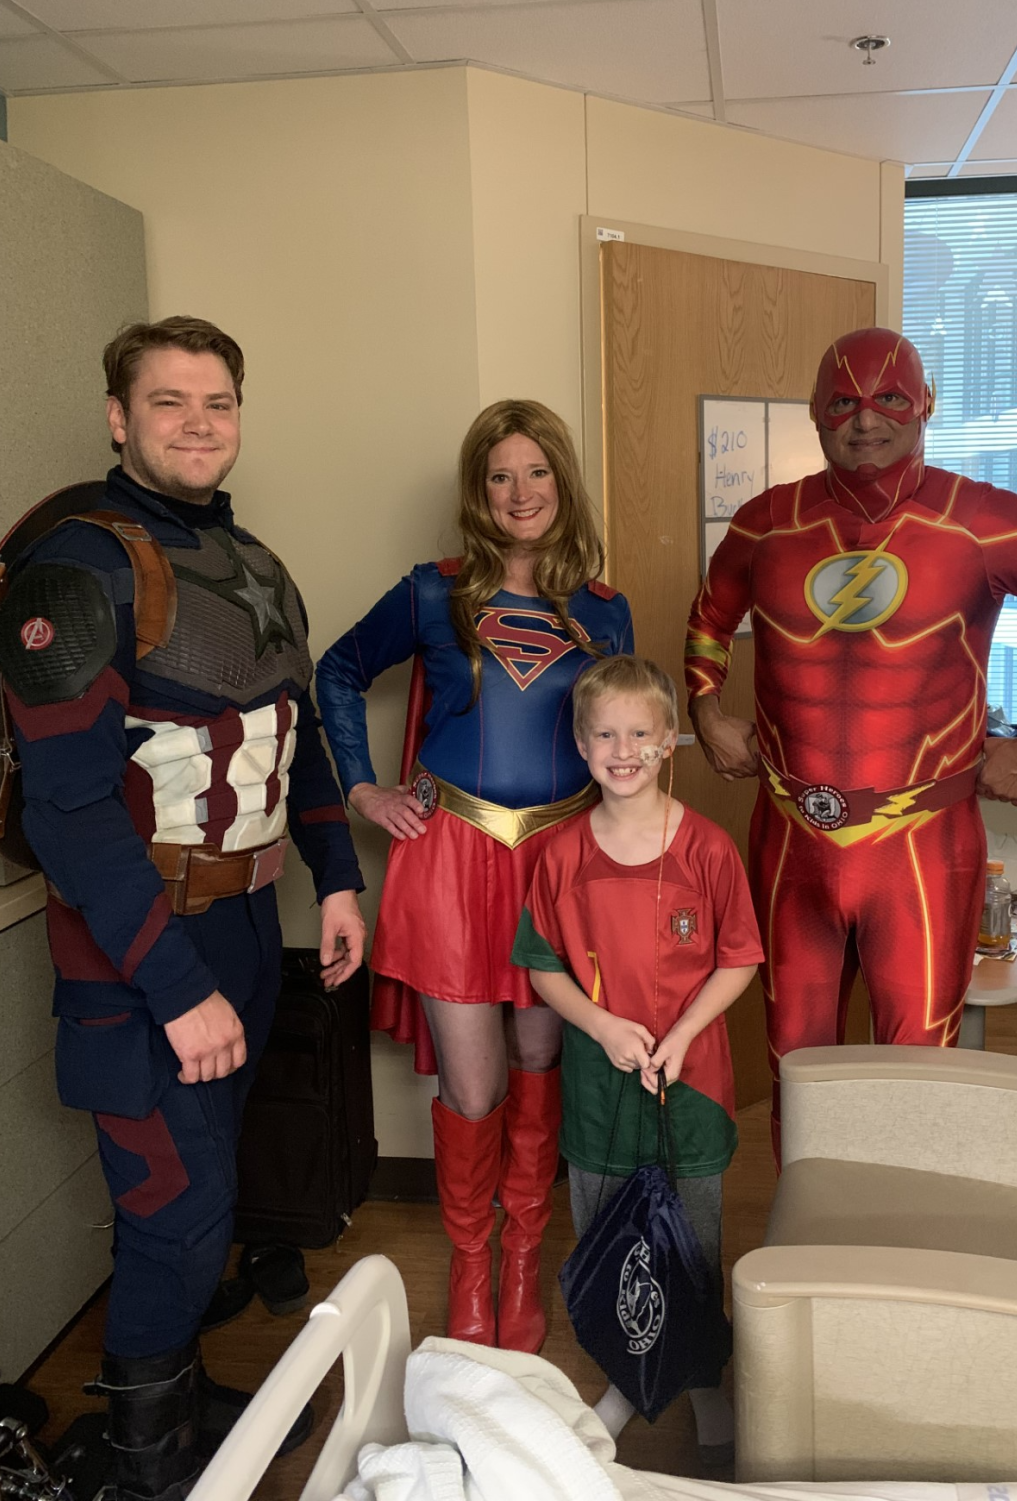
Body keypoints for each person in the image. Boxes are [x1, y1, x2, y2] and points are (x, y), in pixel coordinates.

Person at [0, 317, 366, 1501]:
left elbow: (291, 738)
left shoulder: (254, 563)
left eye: (218, 402)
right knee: (174, 1205)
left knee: (205, 1197)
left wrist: (341, 877)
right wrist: (177, 984)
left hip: (247, 932)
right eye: (169, 403)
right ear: (119, 417)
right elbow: (67, 813)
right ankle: (148, 1470)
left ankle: (178, 1400)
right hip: (137, 952)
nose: (199, 423)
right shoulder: (77, 567)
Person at [685, 326, 1017, 1145]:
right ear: (816, 414)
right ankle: (809, 1259)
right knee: (798, 1067)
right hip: (793, 835)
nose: (865, 421)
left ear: (925, 403)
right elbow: (710, 618)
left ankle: (898, 1261)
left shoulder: (987, 522)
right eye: (844, 402)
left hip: (921, 844)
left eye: (889, 398)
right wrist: (705, 710)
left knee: (917, 1074)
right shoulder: (765, 525)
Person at [316, 400, 632, 1353]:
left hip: (561, 864)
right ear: (477, 491)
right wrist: (364, 792)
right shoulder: (432, 593)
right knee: (476, 1079)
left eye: (537, 473)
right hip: (453, 857)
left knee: (541, 1061)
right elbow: (335, 670)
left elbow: (622, 738)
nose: (520, 492)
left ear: (563, 485)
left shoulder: (605, 608)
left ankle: (525, 1261)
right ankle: (468, 1265)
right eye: (499, 475)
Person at [513, 654, 762, 1461]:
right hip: (600, 1087)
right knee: (609, 1236)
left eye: (640, 734)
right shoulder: (558, 856)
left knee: (691, 1240)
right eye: (604, 735)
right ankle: (626, 1372)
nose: (622, 750)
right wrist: (602, 1026)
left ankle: (702, 1380)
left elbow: (740, 959)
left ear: (668, 744)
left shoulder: (709, 851)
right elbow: (542, 965)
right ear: (582, 746)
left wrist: (683, 1035)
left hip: (691, 1088)